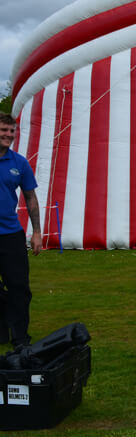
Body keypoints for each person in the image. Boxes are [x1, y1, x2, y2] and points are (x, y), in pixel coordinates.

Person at [0, 113, 42, 350]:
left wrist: (36, 232)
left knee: (19, 287)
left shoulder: (19, 163)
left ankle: (20, 338)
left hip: (10, 235)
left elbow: (31, 197)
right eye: (4, 130)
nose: (8, 135)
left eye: (12, 131)